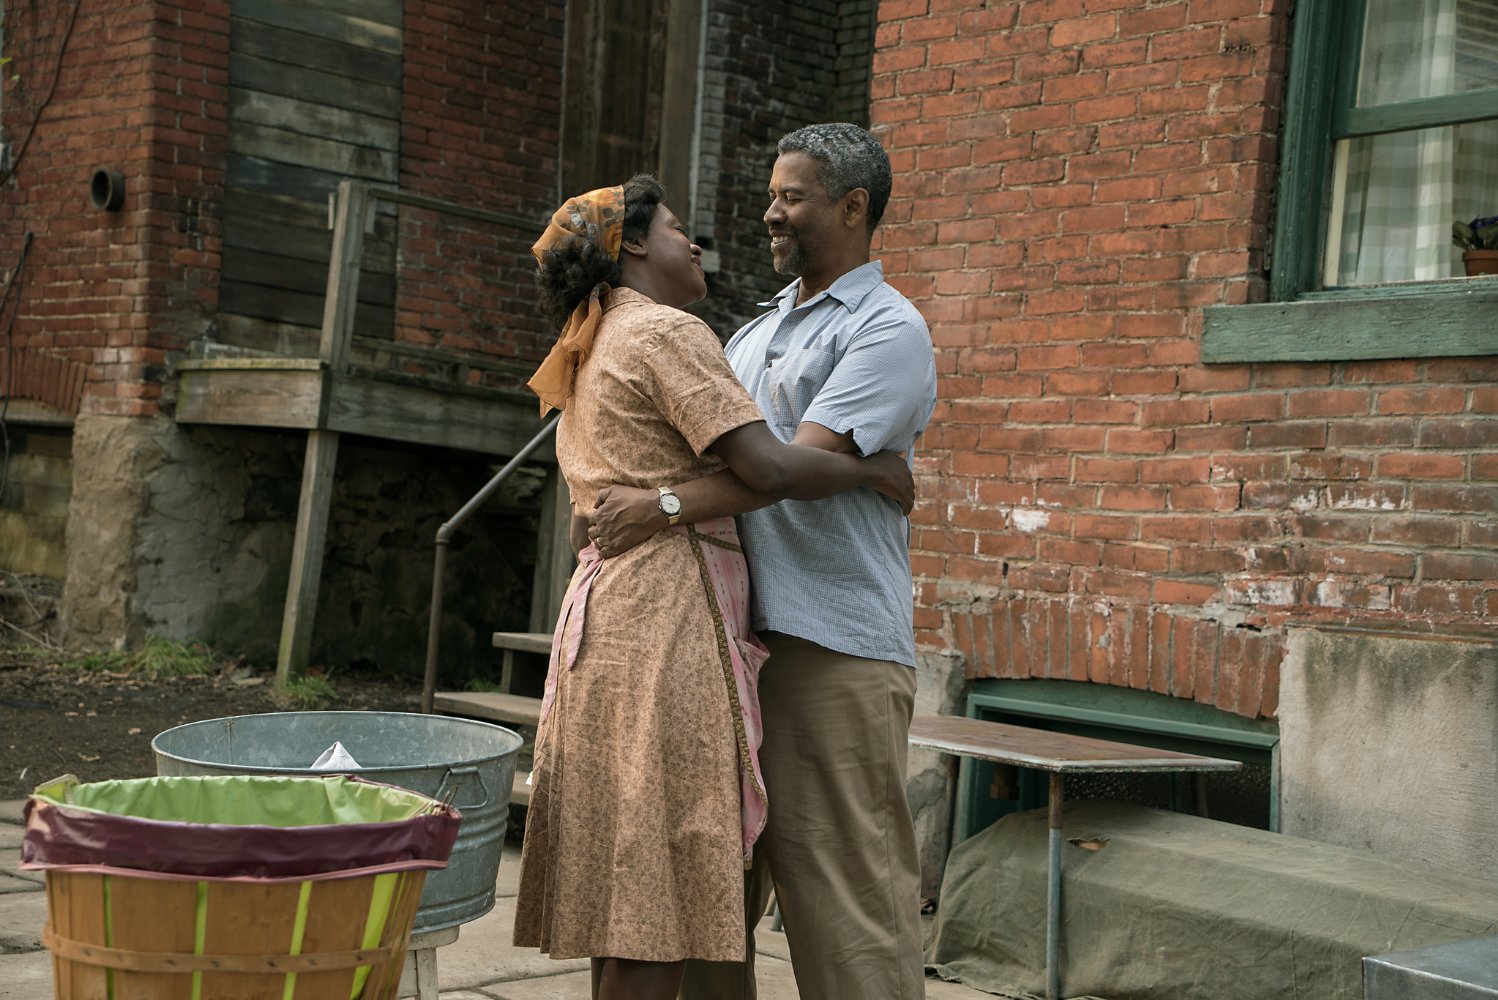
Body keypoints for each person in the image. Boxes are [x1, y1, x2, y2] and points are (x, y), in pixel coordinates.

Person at [510, 174, 915, 1000]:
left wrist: (657, 502)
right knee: (660, 890)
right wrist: (875, 469)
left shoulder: (592, 342)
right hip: (668, 619)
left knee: (628, 887)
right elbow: (765, 467)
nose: (695, 243)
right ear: (629, 244)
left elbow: (609, 503)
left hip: (606, 619)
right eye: (677, 229)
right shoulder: (667, 332)